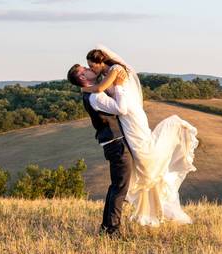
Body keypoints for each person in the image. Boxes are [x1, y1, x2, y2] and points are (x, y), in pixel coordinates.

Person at [80, 45, 199, 226]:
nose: (91, 69)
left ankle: (172, 130)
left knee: (144, 153)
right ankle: (114, 222)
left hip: (130, 115)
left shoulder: (115, 70)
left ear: (101, 61)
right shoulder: (106, 74)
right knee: (140, 160)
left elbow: (100, 89)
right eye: (88, 68)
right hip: (125, 117)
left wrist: (84, 90)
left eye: (91, 65)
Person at [67, 64, 133, 236]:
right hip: (116, 144)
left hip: (112, 143)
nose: (91, 69)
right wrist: (118, 85)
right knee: (120, 188)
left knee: (115, 187)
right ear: (82, 77)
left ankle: (106, 227)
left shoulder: (91, 94)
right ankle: (112, 230)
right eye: (85, 69)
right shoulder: (95, 96)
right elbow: (121, 109)